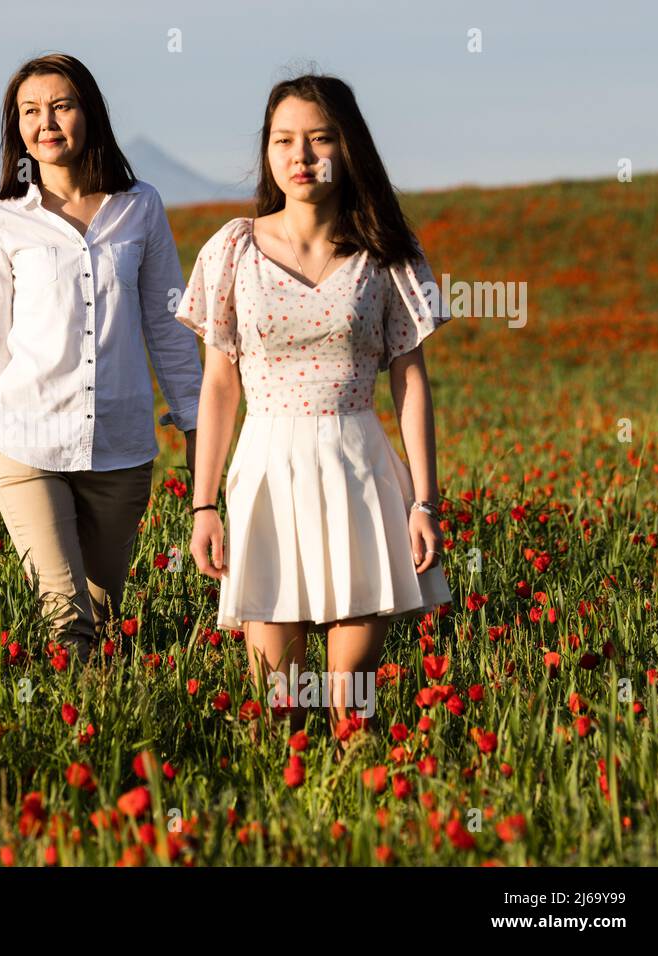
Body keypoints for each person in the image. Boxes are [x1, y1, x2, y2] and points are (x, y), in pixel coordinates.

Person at [178, 73, 452, 750]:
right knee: (279, 702)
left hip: (359, 473)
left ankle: (360, 815)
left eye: (319, 139)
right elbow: (218, 386)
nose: (301, 155)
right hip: (267, 474)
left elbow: (410, 381)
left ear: (347, 148)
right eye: (283, 140)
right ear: (268, 153)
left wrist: (426, 503)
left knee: (349, 703)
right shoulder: (232, 250)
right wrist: (203, 505)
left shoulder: (388, 253)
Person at [0, 53, 203, 666]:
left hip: (120, 449)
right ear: (16, 127)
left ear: (89, 113)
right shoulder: (1, 223)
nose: (47, 123)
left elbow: (168, 325)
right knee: (66, 621)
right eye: (30, 112)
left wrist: (197, 423)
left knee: (102, 611)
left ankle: (107, 730)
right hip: (26, 442)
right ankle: (73, 749)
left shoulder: (140, 207)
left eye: (61, 106)